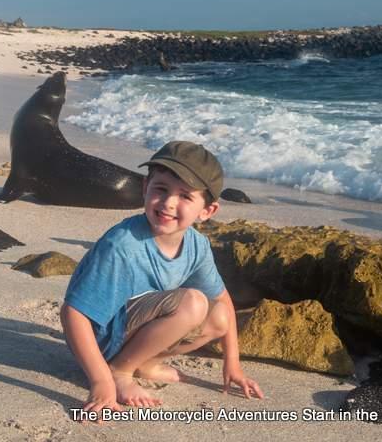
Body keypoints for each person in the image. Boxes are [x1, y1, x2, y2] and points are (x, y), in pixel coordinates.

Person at [61, 140, 263, 418]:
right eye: (161, 189)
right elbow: (73, 314)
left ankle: (143, 362)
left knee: (219, 318)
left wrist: (233, 364)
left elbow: (222, 300)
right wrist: (101, 381)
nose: (169, 203)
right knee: (192, 302)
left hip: (131, 330)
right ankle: (119, 370)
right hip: (99, 339)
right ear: (146, 188)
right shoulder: (123, 246)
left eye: (185, 196)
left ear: (207, 211)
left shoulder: (196, 246)